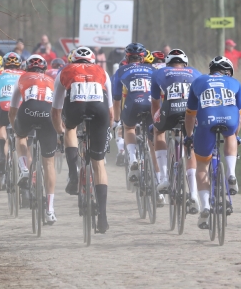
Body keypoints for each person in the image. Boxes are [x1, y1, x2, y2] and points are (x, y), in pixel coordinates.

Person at [51, 46, 113, 233]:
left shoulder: (65, 70)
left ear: (72, 59)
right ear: (93, 61)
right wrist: (105, 130)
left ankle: (73, 173)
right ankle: (102, 216)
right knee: (99, 162)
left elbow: (56, 110)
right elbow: (110, 111)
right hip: (100, 111)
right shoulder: (102, 72)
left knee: (70, 127)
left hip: (75, 109)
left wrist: (60, 132)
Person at [185, 56, 241, 229]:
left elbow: (190, 114)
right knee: (230, 135)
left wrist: (189, 136)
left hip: (206, 122)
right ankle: (231, 173)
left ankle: (205, 207)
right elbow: (239, 114)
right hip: (229, 120)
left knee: (202, 166)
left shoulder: (199, 81)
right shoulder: (235, 83)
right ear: (228, 72)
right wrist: (236, 134)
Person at [150, 49, 202, 214]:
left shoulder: (160, 72)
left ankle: (164, 178)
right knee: (190, 143)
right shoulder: (196, 72)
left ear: (168, 63)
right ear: (185, 63)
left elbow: (155, 103)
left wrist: (156, 121)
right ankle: (193, 193)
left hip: (170, 109)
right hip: (191, 112)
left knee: (158, 132)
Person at [9, 55, 58, 223]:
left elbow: (13, 108)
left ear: (26, 68)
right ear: (44, 69)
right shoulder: (51, 80)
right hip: (48, 113)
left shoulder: (22, 77)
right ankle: (50, 209)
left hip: (28, 111)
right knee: (49, 163)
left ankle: (24, 168)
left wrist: (15, 128)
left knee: (20, 137)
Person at [112, 44, 160, 202]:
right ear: (143, 57)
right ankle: (160, 185)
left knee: (129, 127)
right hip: (151, 105)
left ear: (127, 57)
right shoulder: (153, 70)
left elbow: (117, 98)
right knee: (154, 144)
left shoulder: (121, 71)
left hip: (133, 104)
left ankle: (132, 157)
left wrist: (117, 120)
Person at [0, 52, 25, 180]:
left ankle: (1, 155)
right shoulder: (25, 75)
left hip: (3, 108)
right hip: (20, 108)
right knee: (22, 135)